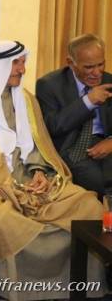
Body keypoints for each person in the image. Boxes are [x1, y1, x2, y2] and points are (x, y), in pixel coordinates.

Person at [0, 40, 104, 300]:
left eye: (23, 62)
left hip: (27, 176)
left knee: (88, 205)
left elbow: (39, 143)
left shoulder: (26, 99)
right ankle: (18, 287)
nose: (22, 69)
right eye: (16, 63)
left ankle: (76, 281)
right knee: (0, 219)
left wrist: (40, 171)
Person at [36, 34, 112, 198]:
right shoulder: (49, 85)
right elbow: (53, 127)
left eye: (100, 64)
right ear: (71, 63)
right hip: (72, 149)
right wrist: (88, 101)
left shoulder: (109, 81)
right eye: (89, 67)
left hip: (105, 144)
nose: (97, 73)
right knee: (99, 181)